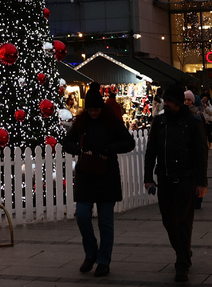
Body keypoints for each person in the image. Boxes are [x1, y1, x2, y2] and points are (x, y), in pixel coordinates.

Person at [63, 82, 135, 277]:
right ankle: (91, 252)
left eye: (96, 110)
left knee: (105, 221)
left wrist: (108, 149)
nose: (93, 113)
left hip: (106, 175)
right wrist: (80, 150)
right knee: (83, 216)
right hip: (86, 175)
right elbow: (67, 143)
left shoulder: (112, 121)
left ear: (101, 108)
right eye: (91, 110)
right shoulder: (81, 122)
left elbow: (129, 142)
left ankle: (104, 259)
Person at [144, 84, 208, 282]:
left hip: (185, 178)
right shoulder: (160, 122)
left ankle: (182, 264)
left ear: (178, 103)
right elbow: (151, 151)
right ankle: (183, 251)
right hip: (164, 177)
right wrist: (148, 177)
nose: (167, 104)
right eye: (165, 100)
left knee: (183, 221)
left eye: (170, 101)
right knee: (168, 219)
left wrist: (201, 182)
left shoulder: (192, 121)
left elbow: (201, 153)